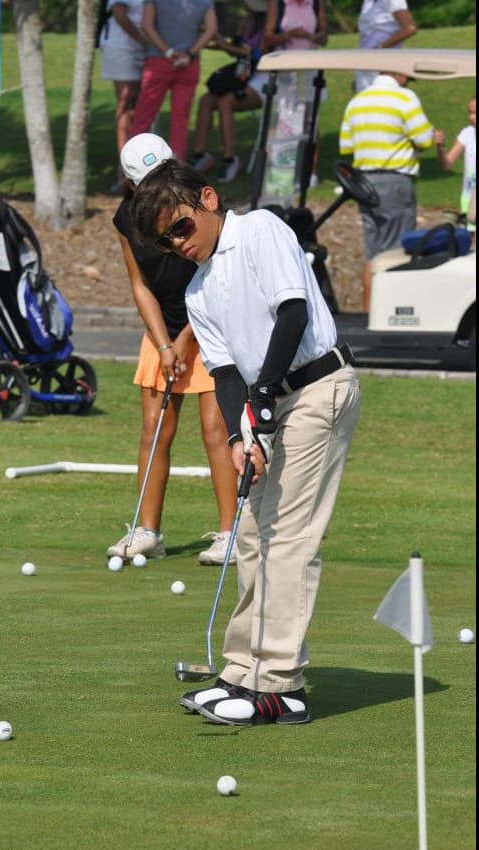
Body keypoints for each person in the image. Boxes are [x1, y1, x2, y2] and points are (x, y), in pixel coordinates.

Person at [130, 159, 361, 725]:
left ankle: (281, 684)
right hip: (270, 402)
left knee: (287, 536)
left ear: (207, 199)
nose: (176, 244)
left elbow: (292, 312)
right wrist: (239, 433)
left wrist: (261, 400)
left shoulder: (260, 229)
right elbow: (226, 372)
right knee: (252, 532)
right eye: (165, 241)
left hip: (317, 387)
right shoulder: (201, 291)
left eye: (180, 227)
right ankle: (242, 669)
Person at [106, 134, 238, 566]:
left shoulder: (195, 214)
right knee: (153, 428)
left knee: (216, 430)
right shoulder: (127, 218)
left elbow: (214, 277)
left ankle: (230, 533)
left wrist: (184, 340)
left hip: (211, 324)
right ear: (130, 183)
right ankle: (147, 531)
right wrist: (163, 342)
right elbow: (139, 284)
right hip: (162, 329)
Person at [339, 70, 435, 312]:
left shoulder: (357, 101)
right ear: (399, 74)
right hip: (394, 180)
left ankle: (369, 314)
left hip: (363, 183)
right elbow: (425, 140)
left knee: (374, 253)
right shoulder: (405, 98)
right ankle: (391, 316)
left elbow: (346, 146)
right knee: (397, 251)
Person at [190, 0, 269, 184]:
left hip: (262, 77)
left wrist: (222, 44)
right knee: (206, 101)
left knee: (225, 101)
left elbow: (256, 56)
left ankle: (230, 158)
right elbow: (237, 51)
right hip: (244, 75)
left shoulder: (268, 24)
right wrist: (215, 41)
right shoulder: (247, 22)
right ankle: (200, 155)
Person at [128, 0, 218, 161]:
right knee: (180, 121)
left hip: (158, 61)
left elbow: (147, 26)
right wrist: (190, 54)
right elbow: (211, 30)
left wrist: (168, 52)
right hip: (189, 64)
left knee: (142, 119)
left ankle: (131, 171)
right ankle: (176, 174)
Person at [261, 0, 329, 186]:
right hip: (285, 70)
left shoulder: (315, 4)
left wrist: (316, 37)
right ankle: (280, 168)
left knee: (310, 120)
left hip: (308, 70)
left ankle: (310, 171)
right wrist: (290, 35)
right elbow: (267, 39)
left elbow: (324, 35)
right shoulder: (279, 5)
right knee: (282, 119)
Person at [98, 1, 147, 190]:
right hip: (123, 47)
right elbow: (119, 13)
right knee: (127, 104)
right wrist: (143, 41)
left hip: (145, 47)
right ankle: (126, 170)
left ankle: (141, 164)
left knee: (140, 107)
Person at [355, 0, 417, 93]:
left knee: (385, 98)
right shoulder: (368, 2)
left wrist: (380, 47)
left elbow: (410, 28)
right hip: (366, 60)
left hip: (386, 62)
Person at [434, 95, 476, 232]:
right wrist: (439, 148)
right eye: (470, 112)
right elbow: (446, 165)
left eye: (475, 113)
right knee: (469, 239)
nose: (471, 117)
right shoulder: (467, 134)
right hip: (468, 198)